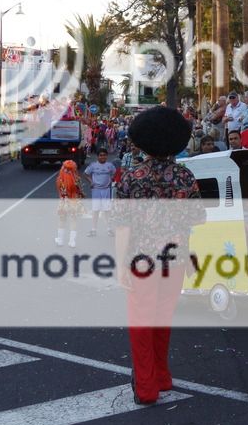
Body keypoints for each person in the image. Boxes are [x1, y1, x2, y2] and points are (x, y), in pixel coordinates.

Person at [111, 106, 206, 405]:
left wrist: (120, 264)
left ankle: (146, 387)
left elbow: (122, 226)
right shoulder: (185, 176)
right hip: (174, 258)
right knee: (162, 320)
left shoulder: (132, 177)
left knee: (141, 323)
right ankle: (162, 377)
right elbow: (196, 220)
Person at [85, 148, 116, 237]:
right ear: (97, 156)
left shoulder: (110, 165)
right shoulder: (93, 165)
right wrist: (91, 182)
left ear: (107, 156)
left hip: (106, 190)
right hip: (96, 190)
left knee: (107, 210)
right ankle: (93, 230)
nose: (102, 157)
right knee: (96, 210)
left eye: (104, 155)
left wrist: (111, 179)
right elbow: (86, 174)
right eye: (101, 155)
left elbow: (114, 173)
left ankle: (109, 229)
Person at [55, 160, 85, 248]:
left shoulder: (60, 179)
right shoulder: (77, 179)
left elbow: (60, 192)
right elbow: (81, 192)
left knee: (62, 220)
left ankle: (60, 240)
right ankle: (72, 241)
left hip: (64, 202)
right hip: (74, 202)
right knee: (73, 221)